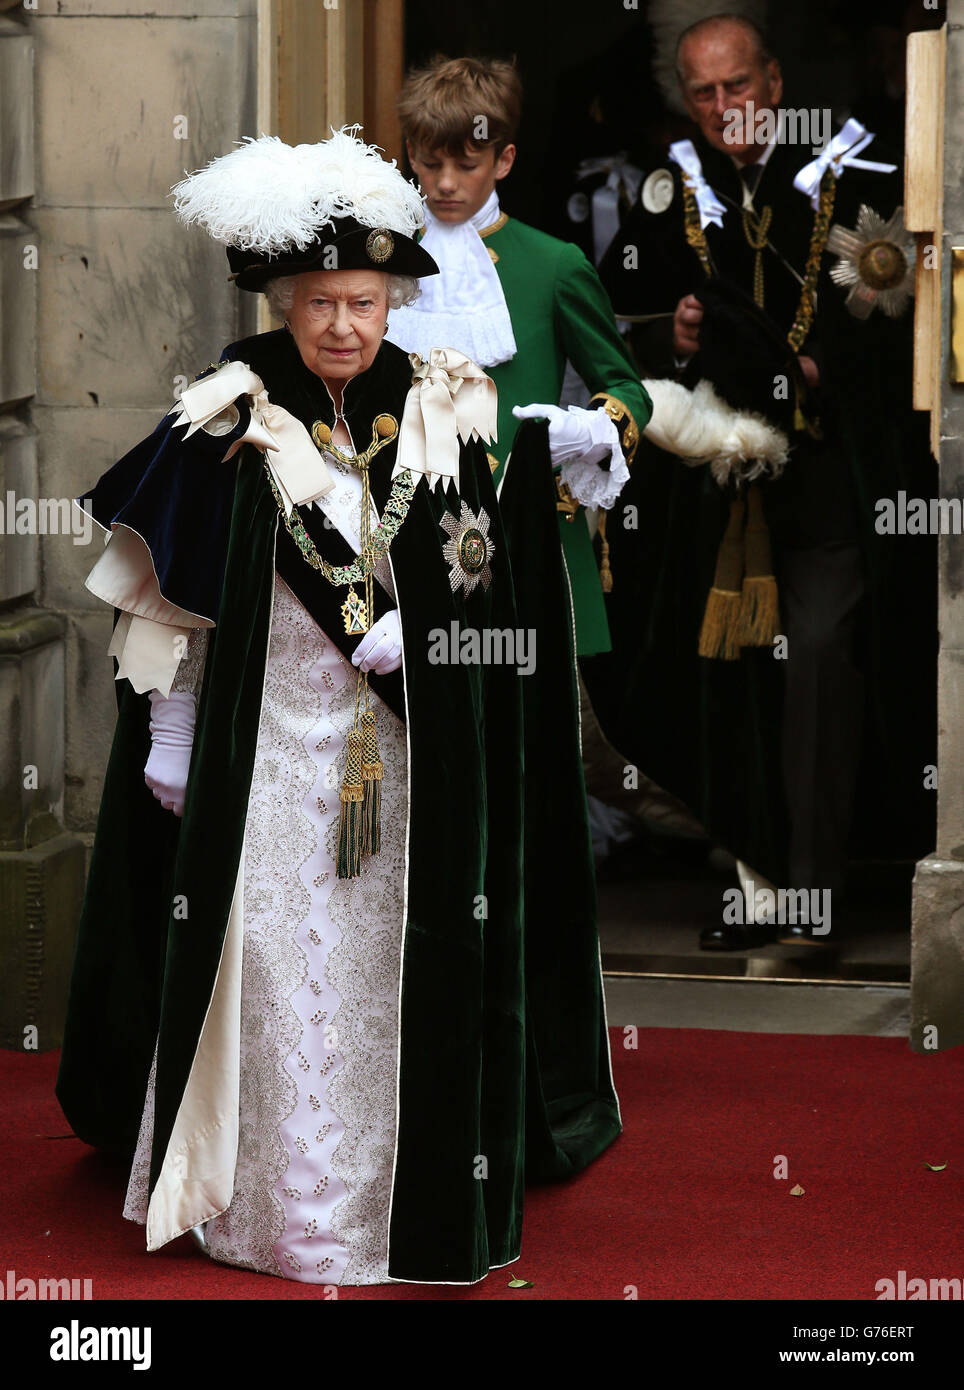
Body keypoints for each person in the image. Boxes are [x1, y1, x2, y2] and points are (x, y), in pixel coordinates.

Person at [55, 128, 620, 1286]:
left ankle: (383, 1206)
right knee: (268, 970)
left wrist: (436, 626)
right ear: (285, 300)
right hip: (263, 743)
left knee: (381, 980)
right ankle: (259, 1202)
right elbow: (170, 589)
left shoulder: (442, 399)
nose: (343, 327)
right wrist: (170, 729)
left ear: (393, 299)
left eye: (363, 302)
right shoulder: (230, 411)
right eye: (318, 303)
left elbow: (478, 565)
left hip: (404, 750)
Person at [589, 13, 936, 948]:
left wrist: (825, 366)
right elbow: (628, 317)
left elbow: (900, 303)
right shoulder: (671, 191)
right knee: (723, 675)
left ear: (775, 85)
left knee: (817, 658)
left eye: (737, 88)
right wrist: (678, 335)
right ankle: (755, 879)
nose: (723, 109)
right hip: (721, 477)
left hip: (829, 474)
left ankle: (813, 897)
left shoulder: (858, 173)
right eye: (702, 93)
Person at [386, 55, 653, 659]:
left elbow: (627, 387)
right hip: (405, 532)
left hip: (524, 535)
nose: (446, 183)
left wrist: (588, 427)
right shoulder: (384, 260)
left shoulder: (554, 265)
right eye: (430, 163)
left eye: (467, 164)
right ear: (409, 154)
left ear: (504, 159)